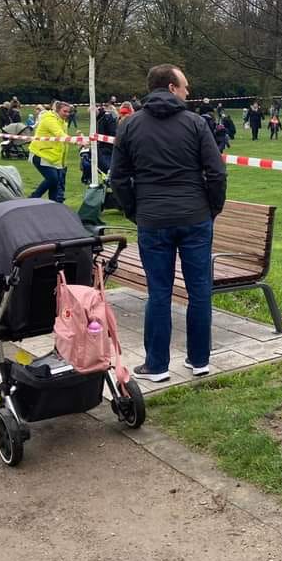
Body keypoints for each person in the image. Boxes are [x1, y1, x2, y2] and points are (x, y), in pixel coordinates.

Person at [110, 64, 227, 382]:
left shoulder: (129, 125)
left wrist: (135, 210)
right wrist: (211, 207)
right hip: (194, 217)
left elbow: (118, 178)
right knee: (199, 290)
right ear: (172, 87)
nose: (189, 92)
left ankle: (157, 364)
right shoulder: (196, 123)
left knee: (159, 292)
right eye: (185, 86)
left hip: (155, 219)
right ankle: (199, 359)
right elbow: (216, 171)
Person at [29, 100, 71, 203]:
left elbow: (62, 142)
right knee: (52, 179)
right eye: (64, 111)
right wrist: (77, 140)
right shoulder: (49, 119)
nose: (67, 114)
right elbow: (60, 135)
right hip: (40, 154)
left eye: (68, 112)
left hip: (54, 157)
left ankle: (54, 204)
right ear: (57, 110)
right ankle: (33, 198)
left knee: (55, 183)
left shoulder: (62, 121)